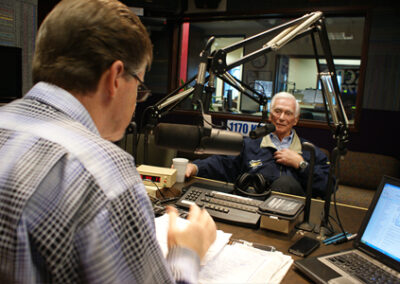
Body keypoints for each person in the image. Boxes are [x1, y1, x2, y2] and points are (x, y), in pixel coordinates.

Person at [0, 0, 216, 283]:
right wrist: (188, 252)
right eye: (139, 86)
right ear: (115, 77)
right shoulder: (100, 170)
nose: (137, 99)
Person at [186, 92, 331, 198]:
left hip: (292, 214)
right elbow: (222, 163)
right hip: (253, 204)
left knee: (285, 183)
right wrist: (195, 167)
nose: (281, 118)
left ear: (295, 120)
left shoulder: (310, 151)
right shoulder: (250, 144)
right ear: (270, 115)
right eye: (277, 111)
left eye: (288, 113)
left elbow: (328, 187)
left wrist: (301, 164)